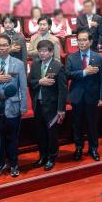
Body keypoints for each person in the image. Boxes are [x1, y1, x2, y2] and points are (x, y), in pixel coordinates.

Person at [0, 34, 27, 177]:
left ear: (10, 46)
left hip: (13, 107)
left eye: (5, 45)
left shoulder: (19, 64)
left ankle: (14, 164)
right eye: (0, 45)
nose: (2, 48)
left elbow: (23, 87)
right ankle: (0, 164)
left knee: (13, 138)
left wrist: (24, 106)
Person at [66, 30, 102, 162]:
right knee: (77, 124)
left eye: (84, 40)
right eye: (79, 40)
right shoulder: (71, 57)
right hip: (76, 96)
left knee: (92, 124)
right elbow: (68, 75)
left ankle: (93, 148)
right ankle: (78, 148)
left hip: (92, 96)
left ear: (90, 42)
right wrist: (84, 72)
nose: (81, 43)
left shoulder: (98, 57)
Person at [28, 40, 67, 171]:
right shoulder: (34, 65)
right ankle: (42, 156)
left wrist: (61, 109)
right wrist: (40, 81)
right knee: (40, 133)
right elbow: (30, 82)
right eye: (40, 51)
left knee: (52, 133)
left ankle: (52, 157)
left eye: (45, 51)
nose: (42, 53)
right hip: (38, 105)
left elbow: (63, 90)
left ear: (51, 52)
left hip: (52, 107)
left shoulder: (58, 66)